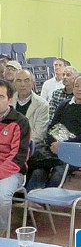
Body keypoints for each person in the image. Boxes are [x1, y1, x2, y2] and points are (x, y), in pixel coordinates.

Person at [27, 75, 81, 191]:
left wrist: (63, 146)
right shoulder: (64, 105)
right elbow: (51, 127)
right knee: (39, 170)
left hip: (78, 151)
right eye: (76, 86)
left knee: (58, 172)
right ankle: (31, 198)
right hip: (55, 148)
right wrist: (53, 143)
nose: (79, 89)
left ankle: (47, 199)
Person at [0, 79, 30, 237]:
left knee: (2, 196)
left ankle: (1, 231)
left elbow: (18, 158)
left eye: (0, 97)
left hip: (13, 172)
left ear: (10, 100)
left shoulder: (21, 122)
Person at [12, 69, 49, 147]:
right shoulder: (7, 101)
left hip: (29, 146)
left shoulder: (42, 105)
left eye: (26, 80)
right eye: (19, 81)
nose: (22, 84)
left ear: (33, 83)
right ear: (14, 84)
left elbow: (39, 134)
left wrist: (16, 142)